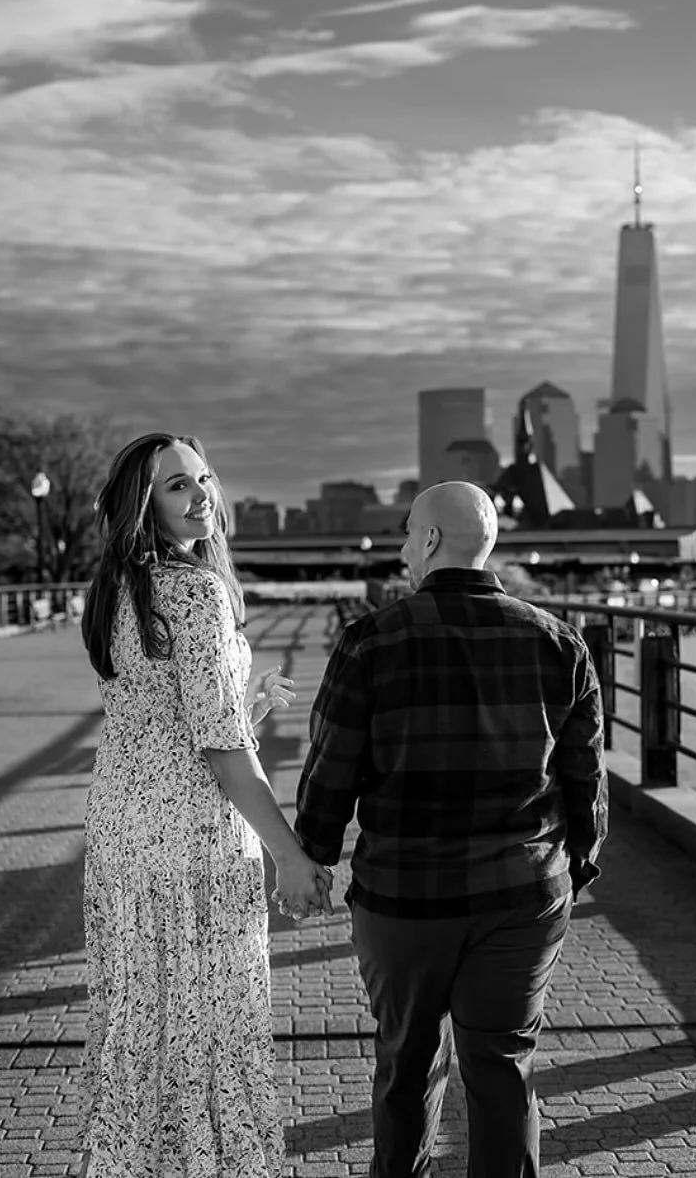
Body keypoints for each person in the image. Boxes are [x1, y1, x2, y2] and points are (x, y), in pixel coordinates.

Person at [294, 480, 608, 1178]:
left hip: (405, 899)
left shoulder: (370, 642)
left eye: (408, 533)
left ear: (431, 540)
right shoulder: (560, 644)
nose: (404, 548)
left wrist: (312, 858)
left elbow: (331, 771)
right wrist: (576, 868)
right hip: (521, 895)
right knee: (501, 1066)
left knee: (405, 1061)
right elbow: (586, 782)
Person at [76, 432, 331, 1178]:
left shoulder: (118, 588)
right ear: (141, 505)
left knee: (142, 1020)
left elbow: (170, 723)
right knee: (211, 1020)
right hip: (190, 838)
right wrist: (290, 853)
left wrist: (247, 704)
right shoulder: (195, 592)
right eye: (178, 486)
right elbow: (219, 753)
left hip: (124, 828)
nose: (202, 497)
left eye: (205, 479)